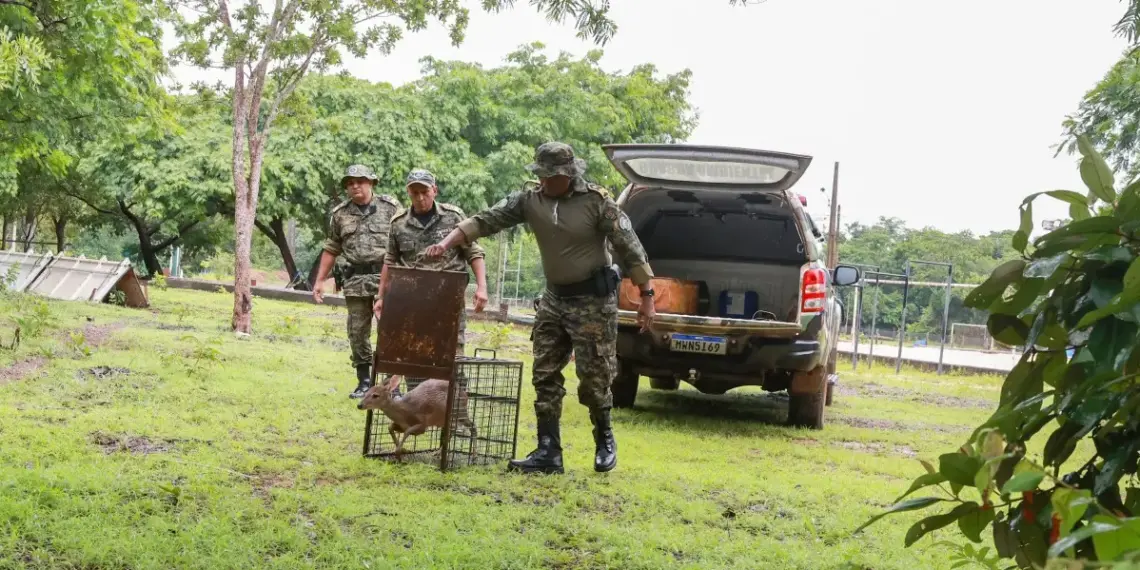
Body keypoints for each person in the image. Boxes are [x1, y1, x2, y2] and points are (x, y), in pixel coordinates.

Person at [424, 142, 657, 475]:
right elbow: (486, 220)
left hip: (592, 304)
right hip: (553, 300)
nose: (543, 181)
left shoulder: (597, 202)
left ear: (567, 174)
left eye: (550, 176)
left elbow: (631, 248)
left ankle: (604, 439)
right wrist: (446, 243)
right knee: (544, 373)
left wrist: (647, 296)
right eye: (541, 175)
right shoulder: (530, 200)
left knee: (594, 378)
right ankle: (549, 451)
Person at [374, 169, 490, 392]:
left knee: (451, 357)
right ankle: (416, 404)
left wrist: (482, 287)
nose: (420, 197)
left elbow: (474, 253)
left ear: (434, 190)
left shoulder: (453, 217)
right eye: (414, 192)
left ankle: (455, 408)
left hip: (447, 300)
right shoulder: (398, 223)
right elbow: (390, 261)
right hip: (412, 302)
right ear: (408, 192)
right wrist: (381, 296)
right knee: (413, 356)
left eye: (424, 192)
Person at [312, 164, 402, 399]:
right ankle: (364, 382)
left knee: (389, 331)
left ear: (371, 183)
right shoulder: (340, 214)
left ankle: (392, 386)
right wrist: (319, 280)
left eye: (360, 181)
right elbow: (332, 247)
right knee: (357, 332)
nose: (355, 186)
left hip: (386, 280)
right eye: (350, 183)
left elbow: (404, 240)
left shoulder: (391, 208)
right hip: (355, 280)